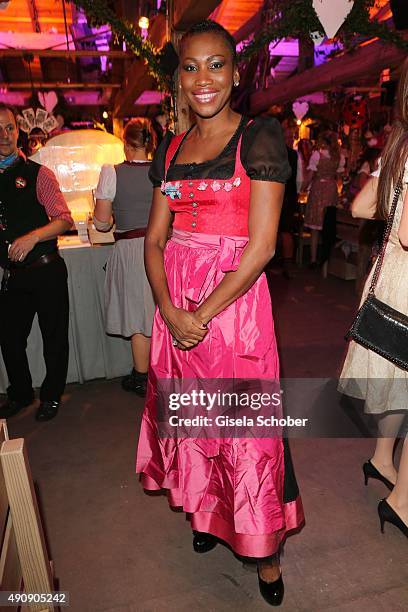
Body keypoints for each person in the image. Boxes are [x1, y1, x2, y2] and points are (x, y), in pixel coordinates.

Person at [136, 20, 304, 606]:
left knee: (246, 433)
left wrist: (198, 314)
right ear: (178, 78)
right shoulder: (171, 147)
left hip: (231, 309)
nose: (203, 78)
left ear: (235, 73)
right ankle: (208, 516)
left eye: (216, 65)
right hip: (176, 305)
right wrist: (167, 308)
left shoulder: (260, 137)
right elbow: (155, 239)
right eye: (191, 66)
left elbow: (260, 247)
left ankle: (264, 551)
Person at [339, 58, 408, 539]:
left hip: (392, 287)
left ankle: (383, 459)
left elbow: (362, 206)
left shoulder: (400, 144)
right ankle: (403, 502)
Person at [0, 103, 73, 421]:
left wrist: (33, 236)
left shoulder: (38, 174)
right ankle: (20, 392)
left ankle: (52, 395)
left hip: (45, 268)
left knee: (53, 337)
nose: (4, 135)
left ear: (18, 131)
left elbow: (64, 219)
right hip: (13, 275)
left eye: (9, 127)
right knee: (9, 336)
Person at [94, 118, 156, 397]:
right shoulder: (162, 171)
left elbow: (102, 222)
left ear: (126, 142)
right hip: (162, 247)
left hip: (132, 251)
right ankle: (161, 372)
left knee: (137, 317)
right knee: (158, 312)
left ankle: (142, 376)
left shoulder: (112, 172)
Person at [304, 131, 345, 268]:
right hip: (331, 190)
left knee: (315, 228)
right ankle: (325, 259)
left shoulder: (317, 155)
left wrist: (303, 188)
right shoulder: (339, 157)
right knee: (327, 226)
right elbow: (339, 179)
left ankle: (313, 259)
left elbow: (310, 175)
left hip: (318, 190)